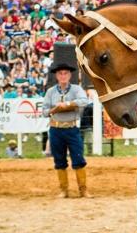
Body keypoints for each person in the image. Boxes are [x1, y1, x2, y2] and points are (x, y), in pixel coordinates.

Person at [43, 60, 91, 198]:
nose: (63, 76)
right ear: (57, 76)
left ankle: (83, 190)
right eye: (60, 74)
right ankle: (63, 190)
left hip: (71, 128)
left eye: (66, 73)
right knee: (59, 160)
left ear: (70, 75)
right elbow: (44, 111)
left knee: (78, 158)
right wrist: (56, 109)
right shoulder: (50, 92)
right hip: (56, 129)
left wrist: (68, 104)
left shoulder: (76, 89)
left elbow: (84, 101)